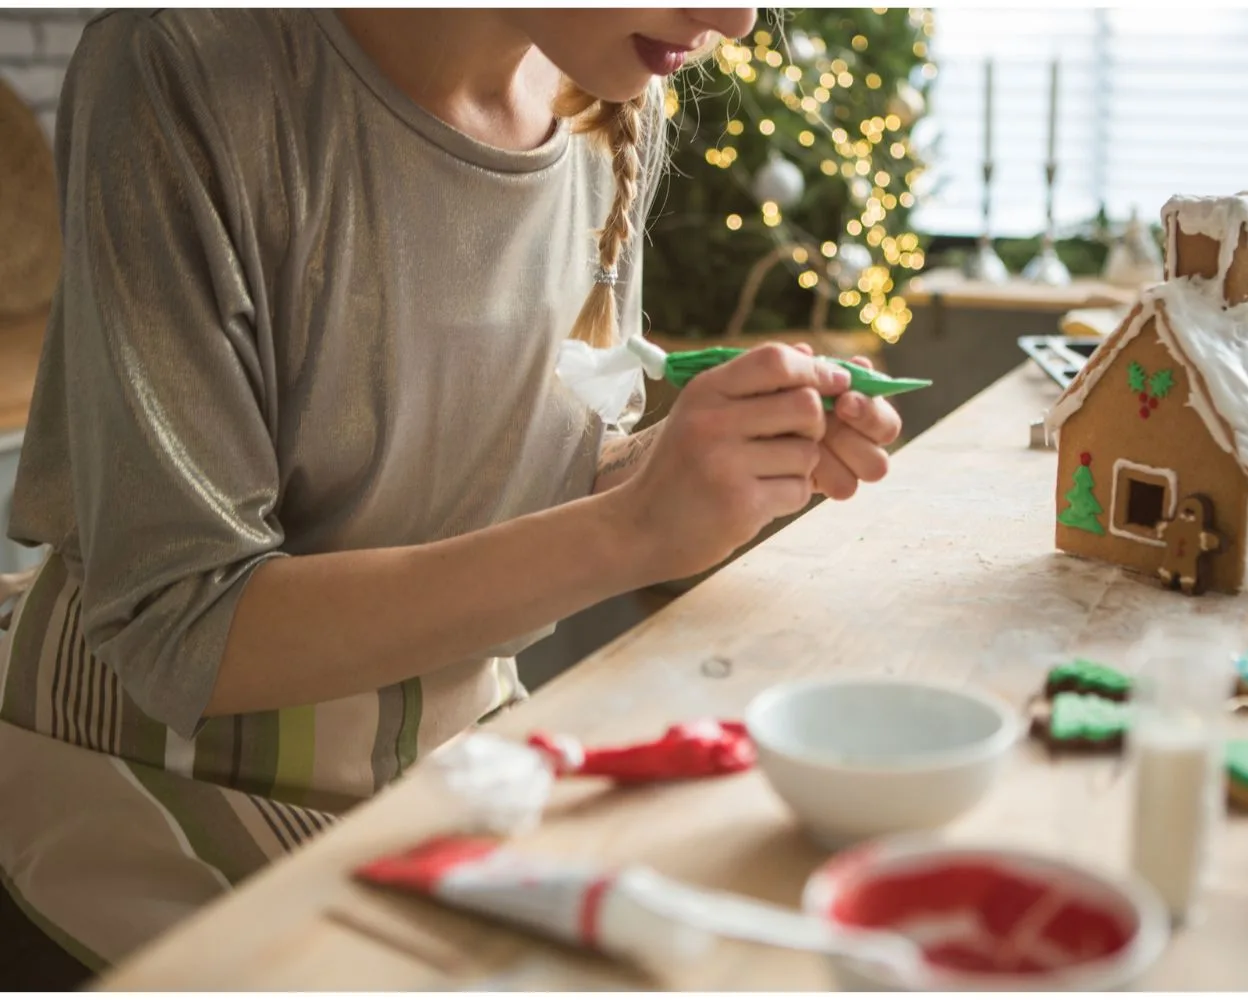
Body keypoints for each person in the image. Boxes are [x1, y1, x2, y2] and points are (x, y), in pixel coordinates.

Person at [0, 8, 904, 988]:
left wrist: (714, 469)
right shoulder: (186, 63)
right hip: (142, 793)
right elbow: (183, 628)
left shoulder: (602, 93)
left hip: (452, 774)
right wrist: (630, 530)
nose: (735, 17)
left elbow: (517, 471)